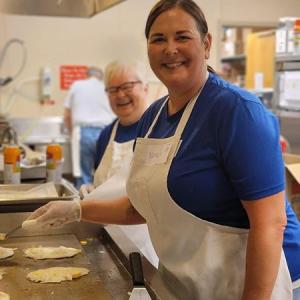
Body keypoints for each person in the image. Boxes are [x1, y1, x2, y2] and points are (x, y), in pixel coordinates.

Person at [26, 1, 300, 299]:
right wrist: (77, 209)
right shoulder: (153, 118)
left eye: (182, 37)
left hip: (246, 284)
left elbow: (270, 223)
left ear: (206, 44)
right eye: (158, 39)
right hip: (186, 285)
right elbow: (141, 207)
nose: (170, 48)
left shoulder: (237, 112)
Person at [78, 60, 158, 267]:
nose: (120, 95)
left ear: (146, 87)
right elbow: (105, 180)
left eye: (127, 86)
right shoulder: (106, 134)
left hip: (147, 249)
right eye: (112, 89)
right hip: (108, 244)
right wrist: (92, 190)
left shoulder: (159, 131)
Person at [64, 66, 115, 188]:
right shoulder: (106, 88)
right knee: (104, 173)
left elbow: (67, 115)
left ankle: (82, 204)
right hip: (106, 132)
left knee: (83, 175)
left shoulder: (77, 85)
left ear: (86, 75)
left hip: (83, 133)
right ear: (101, 77)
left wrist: (72, 134)